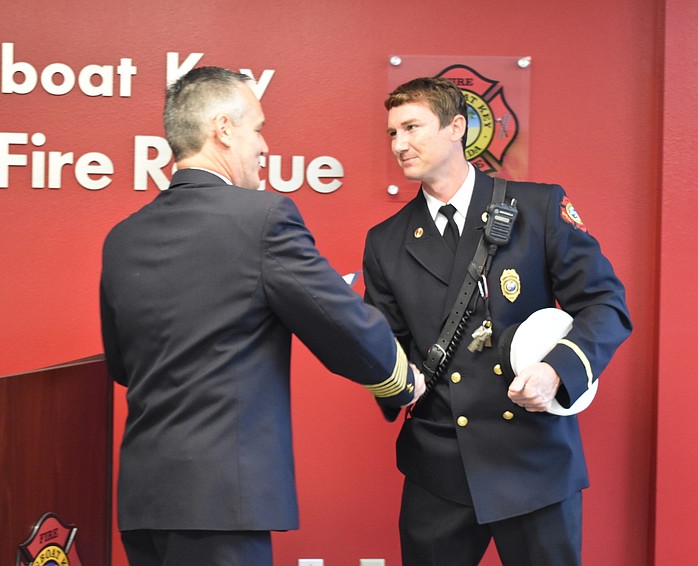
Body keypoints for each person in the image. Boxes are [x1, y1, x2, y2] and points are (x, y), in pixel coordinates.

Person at [100, 66, 420, 566]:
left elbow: (121, 365)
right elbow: (339, 323)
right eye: (258, 127)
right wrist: (399, 381)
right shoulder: (262, 219)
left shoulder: (122, 237)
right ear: (224, 129)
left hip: (144, 499)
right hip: (221, 503)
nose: (265, 145)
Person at [363, 77, 632, 566]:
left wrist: (557, 371)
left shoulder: (538, 208)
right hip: (439, 469)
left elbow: (604, 304)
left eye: (411, 127)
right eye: (392, 134)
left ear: (456, 128)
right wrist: (394, 376)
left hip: (533, 460)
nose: (399, 144)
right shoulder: (385, 241)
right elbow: (388, 345)